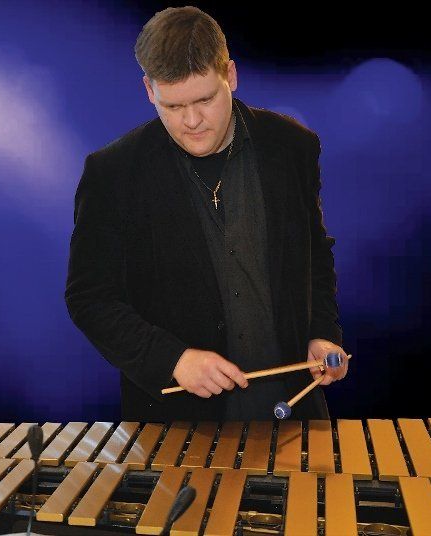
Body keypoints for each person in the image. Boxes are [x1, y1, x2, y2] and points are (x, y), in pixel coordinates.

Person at [65, 6, 348, 422]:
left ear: (229, 75)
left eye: (205, 99)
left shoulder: (292, 147)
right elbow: (90, 298)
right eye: (173, 105)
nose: (192, 121)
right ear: (149, 90)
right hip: (176, 425)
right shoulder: (112, 173)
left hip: (292, 408)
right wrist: (173, 359)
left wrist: (322, 333)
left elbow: (315, 255)